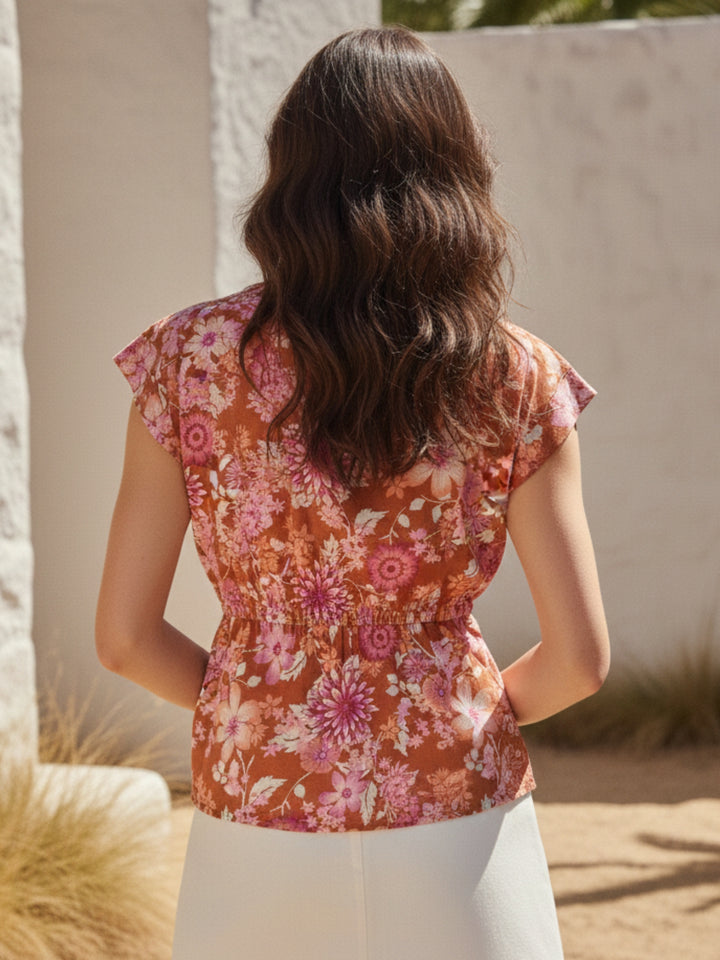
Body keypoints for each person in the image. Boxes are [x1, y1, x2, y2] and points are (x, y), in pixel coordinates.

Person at [95, 25, 609, 960]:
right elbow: (579, 661)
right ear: (456, 173)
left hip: (253, 818)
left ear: (290, 173)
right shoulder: (518, 376)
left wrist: (259, 701)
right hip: (462, 828)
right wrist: (448, 711)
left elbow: (125, 638)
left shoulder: (185, 363)